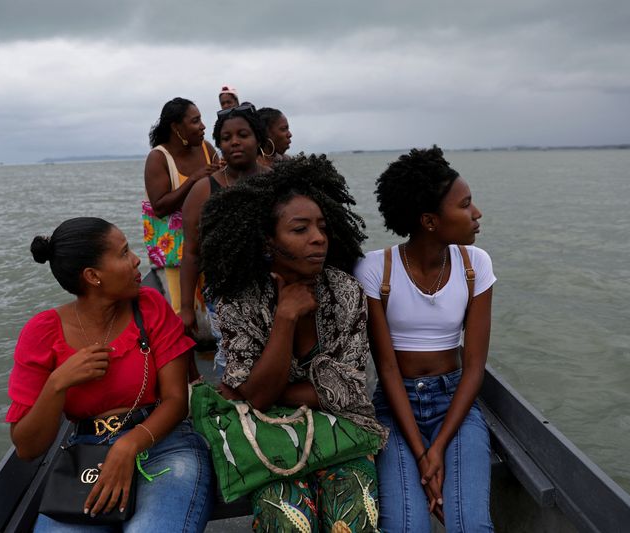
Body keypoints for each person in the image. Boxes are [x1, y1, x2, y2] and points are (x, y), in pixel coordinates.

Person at [199, 155, 388, 532]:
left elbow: (347, 392)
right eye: (300, 229)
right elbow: (260, 401)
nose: (318, 237)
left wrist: (259, 390)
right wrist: (284, 318)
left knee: (354, 520)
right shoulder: (240, 301)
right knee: (287, 521)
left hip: (344, 431)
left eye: (321, 227)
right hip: (271, 435)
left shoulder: (344, 293)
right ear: (269, 241)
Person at [7, 217, 213, 532]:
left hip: (164, 444)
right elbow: (27, 448)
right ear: (93, 276)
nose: (136, 260)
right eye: (123, 253)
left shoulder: (150, 307)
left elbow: (176, 401)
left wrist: (127, 446)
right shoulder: (41, 332)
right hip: (86, 455)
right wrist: (57, 383)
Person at [353, 146, 495, 532]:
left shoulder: (475, 266)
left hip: (456, 405)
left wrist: (436, 450)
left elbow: (475, 367)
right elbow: (386, 368)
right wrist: (421, 452)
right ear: (431, 221)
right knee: (406, 526)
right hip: (395, 410)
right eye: (466, 205)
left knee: (471, 525)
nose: (477, 214)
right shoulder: (375, 269)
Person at [178, 103, 270, 344]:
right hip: (224, 294)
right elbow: (190, 253)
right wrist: (186, 308)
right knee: (232, 362)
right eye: (226, 137)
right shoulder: (203, 190)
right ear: (219, 144)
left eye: (243, 135)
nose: (235, 142)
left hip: (274, 289)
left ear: (258, 139)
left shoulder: (275, 182)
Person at [143, 97, 218, 313]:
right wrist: (195, 179)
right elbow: (160, 207)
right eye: (195, 121)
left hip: (212, 244)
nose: (203, 126)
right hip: (179, 252)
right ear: (176, 127)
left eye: (201, 120)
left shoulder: (207, 149)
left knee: (218, 306)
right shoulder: (158, 158)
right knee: (183, 311)